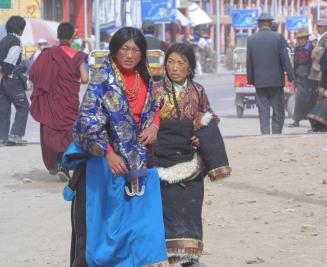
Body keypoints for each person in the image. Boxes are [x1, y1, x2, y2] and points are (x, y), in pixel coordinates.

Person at [60, 27, 169, 267]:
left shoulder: (146, 78)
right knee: (108, 230)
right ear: (114, 51)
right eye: (124, 49)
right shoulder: (101, 79)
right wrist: (109, 154)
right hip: (106, 166)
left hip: (142, 164)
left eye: (135, 50)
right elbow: (87, 123)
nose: (130, 55)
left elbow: (154, 108)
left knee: (144, 228)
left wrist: (154, 127)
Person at [153, 42, 231, 267]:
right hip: (163, 160)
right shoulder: (155, 90)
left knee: (189, 209)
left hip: (191, 162)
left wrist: (201, 136)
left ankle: (189, 257)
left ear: (190, 67)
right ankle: (163, 258)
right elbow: (147, 122)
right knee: (163, 210)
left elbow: (211, 119)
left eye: (180, 63)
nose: (174, 68)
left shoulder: (198, 91)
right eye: (170, 62)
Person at [29, 22, 88, 181]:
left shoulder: (48, 53)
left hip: (52, 100)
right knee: (68, 132)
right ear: (72, 37)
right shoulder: (78, 55)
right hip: (69, 101)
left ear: (58, 36)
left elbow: (33, 73)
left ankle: (55, 163)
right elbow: (85, 79)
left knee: (51, 131)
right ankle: (64, 163)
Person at [246, 13, 295, 135]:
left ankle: (265, 134)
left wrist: (251, 80)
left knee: (263, 110)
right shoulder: (278, 37)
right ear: (270, 23)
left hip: (260, 82)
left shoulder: (251, 39)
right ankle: (276, 134)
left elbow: (249, 62)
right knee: (278, 110)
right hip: (275, 82)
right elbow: (285, 59)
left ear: (259, 24)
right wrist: (291, 76)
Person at [0, 16, 29, 146]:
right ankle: (15, 134)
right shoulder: (16, 42)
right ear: (20, 29)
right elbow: (9, 65)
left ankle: (3, 139)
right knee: (23, 106)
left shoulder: (1, 41)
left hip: (1, 82)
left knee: (4, 109)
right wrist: (2, 74)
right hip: (12, 79)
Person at [288, 28, 318, 127]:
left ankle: (313, 122)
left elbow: (314, 63)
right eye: (299, 38)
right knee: (299, 98)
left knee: (310, 99)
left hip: (309, 77)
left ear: (306, 38)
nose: (300, 40)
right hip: (299, 77)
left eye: (302, 38)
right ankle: (296, 120)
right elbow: (295, 64)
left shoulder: (311, 48)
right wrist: (293, 77)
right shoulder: (297, 49)